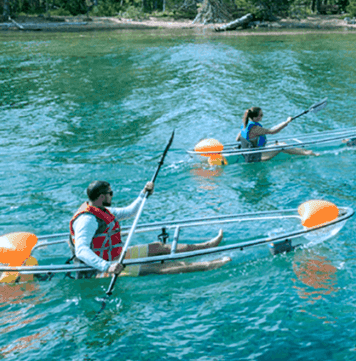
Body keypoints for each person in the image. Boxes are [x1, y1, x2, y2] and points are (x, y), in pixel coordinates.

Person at [69, 180, 229, 277]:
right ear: (102, 196)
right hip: (101, 269)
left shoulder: (103, 211)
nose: (112, 195)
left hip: (116, 256)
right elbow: (81, 250)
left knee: (158, 247)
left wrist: (144, 194)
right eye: (111, 193)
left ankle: (207, 246)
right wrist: (107, 267)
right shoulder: (87, 220)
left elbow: (130, 212)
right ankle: (209, 265)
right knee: (158, 267)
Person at [235, 106, 317, 162]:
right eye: (261, 115)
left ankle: (304, 152)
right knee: (282, 146)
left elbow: (238, 139)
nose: (262, 116)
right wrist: (287, 122)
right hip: (255, 157)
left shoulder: (245, 124)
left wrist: (252, 142)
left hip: (248, 153)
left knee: (282, 143)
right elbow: (273, 132)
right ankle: (308, 153)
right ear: (255, 117)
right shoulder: (255, 128)